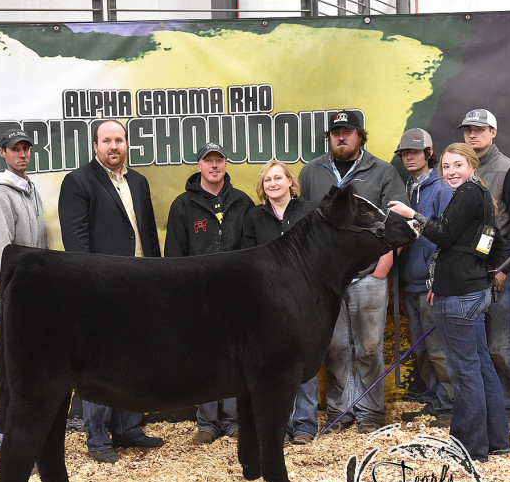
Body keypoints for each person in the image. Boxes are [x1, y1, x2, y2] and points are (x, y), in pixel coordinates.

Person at [389, 143, 510, 462]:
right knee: (480, 365)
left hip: (458, 295)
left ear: (472, 166)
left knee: (465, 370)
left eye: (458, 165)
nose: (451, 172)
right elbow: (492, 243)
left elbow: (442, 234)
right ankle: (496, 440)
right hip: (472, 290)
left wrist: (411, 215)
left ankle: (469, 448)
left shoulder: (468, 193)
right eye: (446, 167)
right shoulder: (482, 196)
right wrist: (477, 269)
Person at [58, 119, 165, 463]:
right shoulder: (78, 182)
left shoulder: (138, 181)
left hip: (140, 286)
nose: (114, 146)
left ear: (126, 144)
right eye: (107, 140)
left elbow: (149, 234)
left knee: (135, 361)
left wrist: (157, 277)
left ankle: (129, 429)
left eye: (119, 139)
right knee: (100, 365)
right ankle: (98, 438)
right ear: (95, 146)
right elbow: (76, 243)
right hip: (102, 290)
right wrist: (91, 289)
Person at [299, 110, 407, 434]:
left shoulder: (383, 171)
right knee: (334, 347)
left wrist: (382, 268)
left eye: (347, 131)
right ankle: (339, 411)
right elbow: (303, 225)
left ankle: (371, 413)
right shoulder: (311, 173)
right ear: (329, 137)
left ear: (360, 135)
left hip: (369, 274)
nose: (341, 136)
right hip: (327, 279)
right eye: (335, 132)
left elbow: (398, 224)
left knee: (369, 346)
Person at [165, 142, 253, 444]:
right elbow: (174, 254)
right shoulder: (183, 205)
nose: (214, 166)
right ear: (199, 165)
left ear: (226, 165)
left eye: (219, 160)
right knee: (202, 358)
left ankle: (232, 421)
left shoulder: (243, 202)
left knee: (235, 357)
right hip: (197, 295)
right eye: (208, 160)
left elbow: (252, 251)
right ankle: (206, 423)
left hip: (236, 294)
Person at [460, 109, 510, 433]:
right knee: (474, 345)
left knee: (500, 345)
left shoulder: (509, 170)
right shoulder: (462, 170)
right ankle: (485, 410)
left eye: (479, 130)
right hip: (469, 271)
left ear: (493, 132)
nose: (472, 135)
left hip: (501, 271)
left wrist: (504, 268)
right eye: (468, 131)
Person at [0, 128, 48, 446]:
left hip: (34, 296)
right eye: (15, 149)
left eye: (26, 148)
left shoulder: (29, 188)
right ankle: (9, 440)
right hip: (13, 297)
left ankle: (28, 434)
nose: (22, 153)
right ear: (2, 154)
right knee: (12, 373)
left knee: (31, 370)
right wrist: (17, 292)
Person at [242, 160, 316, 444]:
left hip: (304, 299)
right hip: (268, 300)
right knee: (274, 365)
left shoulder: (309, 211)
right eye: (267, 180)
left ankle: (305, 426)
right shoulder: (254, 216)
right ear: (262, 187)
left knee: (304, 361)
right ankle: (279, 426)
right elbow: (248, 256)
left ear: (289, 182)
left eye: (278, 178)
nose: (272, 183)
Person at [394, 129, 454, 427]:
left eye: (415, 152)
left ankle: (450, 406)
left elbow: (447, 236)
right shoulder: (404, 188)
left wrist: (437, 281)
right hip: (411, 282)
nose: (409, 156)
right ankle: (434, 401)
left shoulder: (442, 189)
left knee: (440, 350)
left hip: (432, 285)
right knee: (421, 350)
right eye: (405, 152)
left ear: (429, 153)